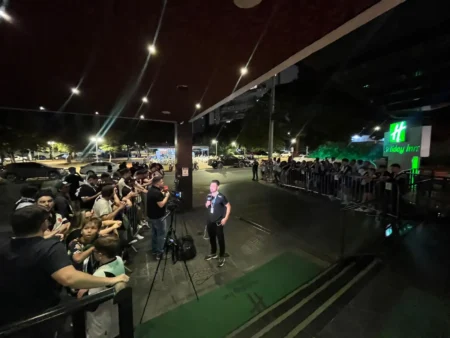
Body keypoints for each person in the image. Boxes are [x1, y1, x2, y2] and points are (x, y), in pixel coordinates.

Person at [0, 206, 129, 336]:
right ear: (44, 224)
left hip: (9, 317)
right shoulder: (51, 247)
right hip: (42, 316)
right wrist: (113, 279)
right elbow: (69, 278)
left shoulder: (4, 246)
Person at [82, 236, 125, 338]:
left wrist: (83, 294)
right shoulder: (118, 259)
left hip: (100, 318)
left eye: (95, 251)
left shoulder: (100, 275)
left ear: (100, 255)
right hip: (114, 310)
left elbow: (91, 304)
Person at [205, 180, 231, 267]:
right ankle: (213, 253)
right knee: (212, 238)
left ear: (217, 187)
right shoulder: (209, 195)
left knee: (220, 239)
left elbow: (228, 206)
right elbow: (206, 206)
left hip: (218, 222)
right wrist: (207, 203)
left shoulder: (221, 197)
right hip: (210, 221)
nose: (211, 187)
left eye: (213, 186)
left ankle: (222, 255)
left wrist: (225, 218)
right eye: (210, 186)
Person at [147, 176, 170, 259]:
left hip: (152, 216)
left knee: (155, 234)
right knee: (161, 234)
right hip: (158, 217)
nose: (163, 183)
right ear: (157, 183)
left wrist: (162, 194)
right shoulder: (156, 193)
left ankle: (154, 250)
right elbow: (161, 204)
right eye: (161, 182)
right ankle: (159, 253)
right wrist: (167, 196)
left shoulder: (151, 190)